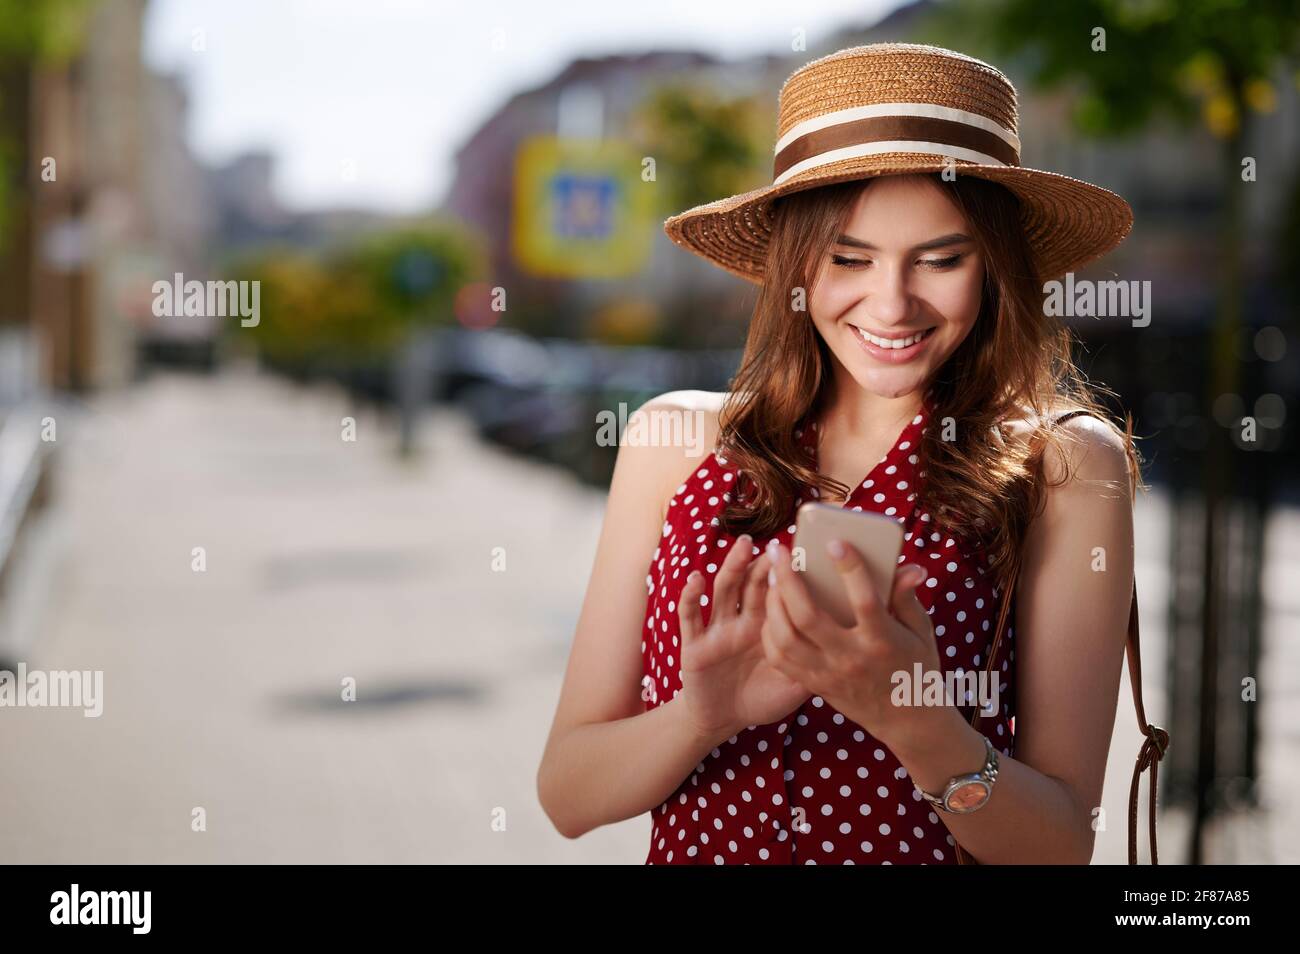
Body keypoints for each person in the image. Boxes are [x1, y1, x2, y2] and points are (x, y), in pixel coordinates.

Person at [537, 42, 1145, 864]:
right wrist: (700, 715)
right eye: (848, 259)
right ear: (794, 266)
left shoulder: (1064, 466)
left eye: (942, 259)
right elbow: (569, 795)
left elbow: (1063, 844)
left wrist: (916, 721)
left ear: (994, 268)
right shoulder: (673, 441)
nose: (891, 304)